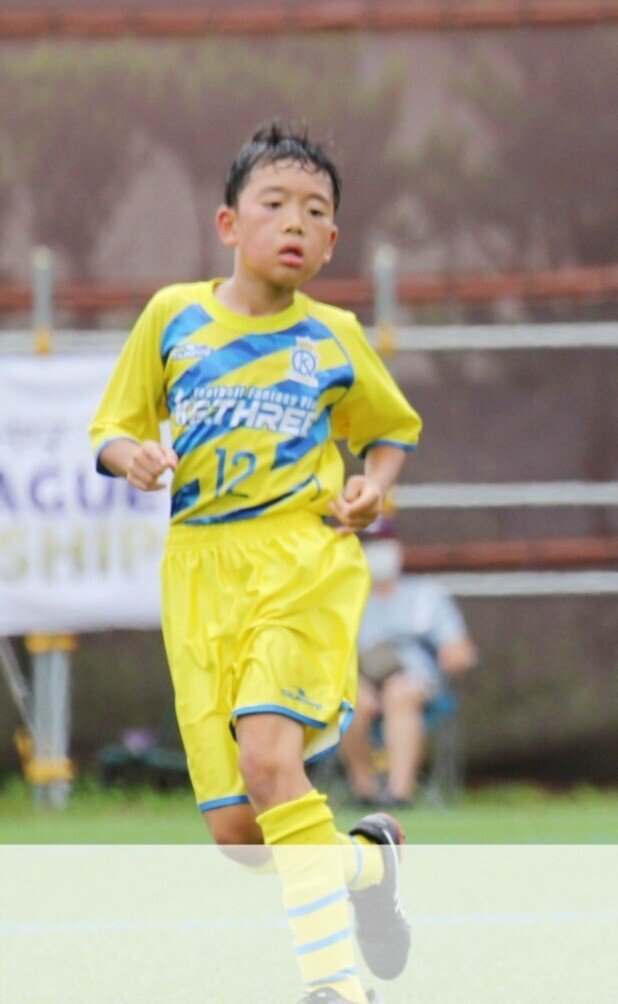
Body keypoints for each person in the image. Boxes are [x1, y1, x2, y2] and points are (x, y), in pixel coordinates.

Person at [89, 122, 418, 1004]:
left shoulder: (336, 336)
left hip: (301, 565)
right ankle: (366, 866)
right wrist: (136, 458)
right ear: (229, 224)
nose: (296, 223)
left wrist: (372, 488)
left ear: (332, 241)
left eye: (316, 211)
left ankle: (334, 987)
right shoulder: (173, 317)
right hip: (199, 575)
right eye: (275, 205)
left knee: (273, 765)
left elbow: (389, 435)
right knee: (243, 833)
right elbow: (113, 429)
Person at [340, 523, 477, 807]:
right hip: (360, 678)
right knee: (351, 701)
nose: (378, 552)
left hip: (415, 679)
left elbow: (458, 649)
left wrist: (452, 655)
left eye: (383, 543)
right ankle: (364, 791)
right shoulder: (346, 598)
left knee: (399, 693)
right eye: (369, 544)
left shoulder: (426, 595)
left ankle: (399, 793)